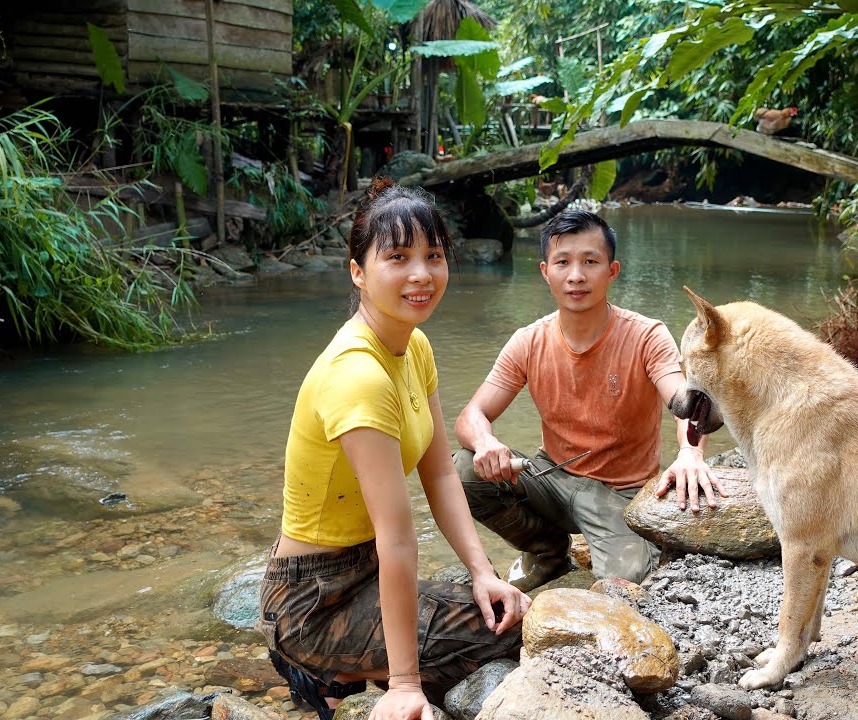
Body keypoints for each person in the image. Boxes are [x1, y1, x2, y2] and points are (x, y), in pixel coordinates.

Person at [259, 178, 529, 720]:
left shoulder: (414, 345)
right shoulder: (357, 375)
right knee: (509, 638)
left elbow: (441, 476)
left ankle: (348, 676)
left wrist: (482, 571)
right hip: (312, 598)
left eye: (434, 256)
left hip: (362, 569)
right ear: (358, 271)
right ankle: (321, 669)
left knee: (506, 610)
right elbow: (398, 538)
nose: (422, 275)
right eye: (398, 257)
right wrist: (404, 685)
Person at [454, 210, 726, 591]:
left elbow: (682, 400)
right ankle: (547, 550)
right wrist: (486, 443)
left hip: (621, 492)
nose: (576, 276)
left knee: (624, 581)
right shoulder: (528, 340)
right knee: (462, 470)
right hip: (551, 478)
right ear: (545, 271)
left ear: (611, 271)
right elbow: (472, 415)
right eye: (563, 262)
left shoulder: (647, 335)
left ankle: (629, 548)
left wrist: (689, 454)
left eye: (590, 262)